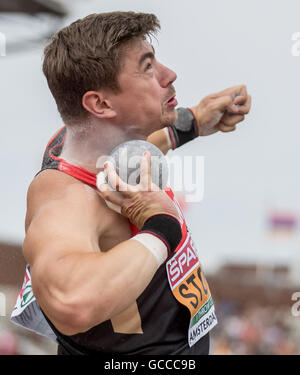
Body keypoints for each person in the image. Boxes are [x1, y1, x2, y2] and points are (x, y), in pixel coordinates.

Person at [13, 12, 251, 355]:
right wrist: (161, 226)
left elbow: (138, 145)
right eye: (148, 67)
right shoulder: (67, 201)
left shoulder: (91, 145)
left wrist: (194, 120)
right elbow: (72, 304)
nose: (170, 74)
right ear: (100, 103)